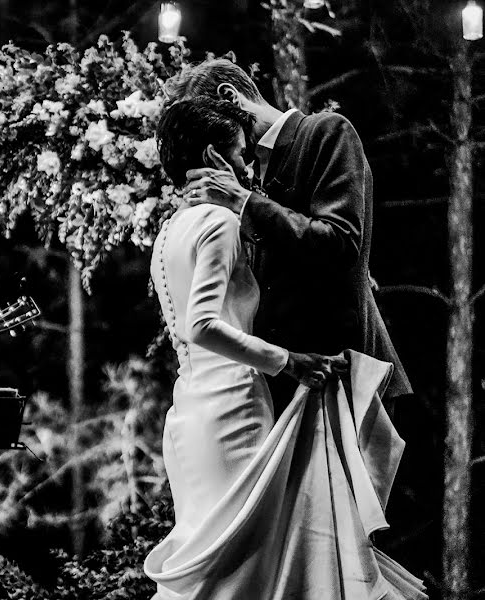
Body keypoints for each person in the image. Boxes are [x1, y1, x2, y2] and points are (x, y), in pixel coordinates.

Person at [142, 97, 426, 599]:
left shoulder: (168, 231)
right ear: (215, 156)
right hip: (240, 406)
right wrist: (289, 361)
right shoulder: (221, 221)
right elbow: (202, 324)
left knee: (233, 561)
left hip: (193, 411)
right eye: (241, 153)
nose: (250, 166)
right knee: (268, 564)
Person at [166, 58, 410, 407]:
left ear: (230, 96)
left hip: (351, 381)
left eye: (210, 121)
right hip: (291, 391)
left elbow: (340, 242)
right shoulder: (246, 174)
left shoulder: (326, 132)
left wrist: (244, 200)